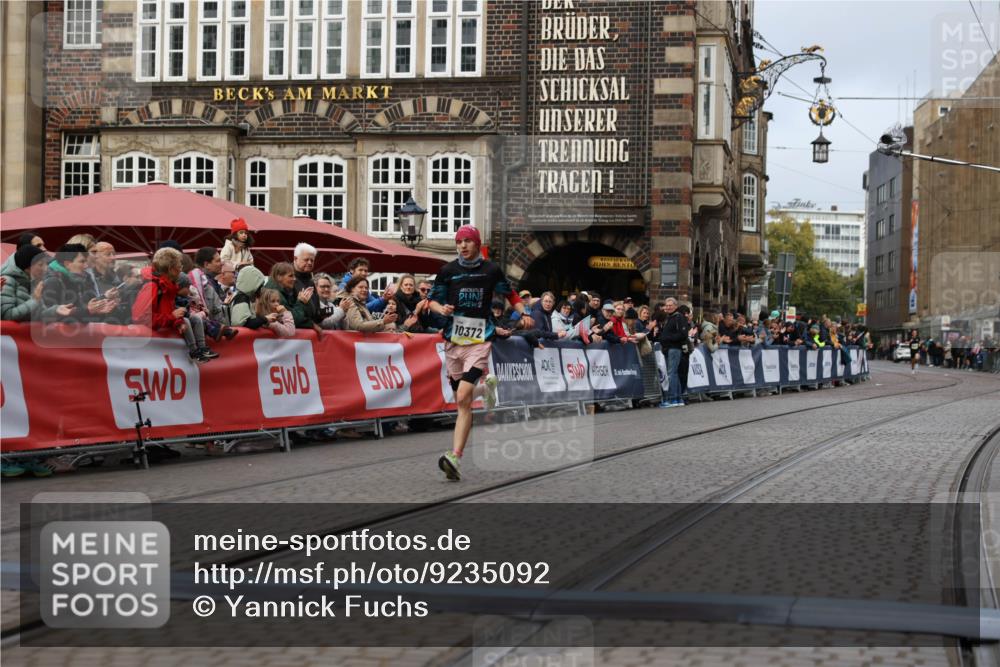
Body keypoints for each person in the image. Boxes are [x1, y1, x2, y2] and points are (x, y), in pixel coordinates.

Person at [429, 225, 532, 481]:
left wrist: (524, 312)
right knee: (461, 399)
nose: (462, 246)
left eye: (467, 241)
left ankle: (454, 456)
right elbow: (432, 299)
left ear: (477, 243)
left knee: (463, 394)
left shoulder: (490, 270)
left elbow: (511, 294)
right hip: (453, 341)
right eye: (459, 242)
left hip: (479, 340)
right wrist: (440, 309)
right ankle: (486, 390)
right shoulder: (448, 270)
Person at [131, 247, 218, 362]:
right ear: (171, 269)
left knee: (194, 319)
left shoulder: (167, 286)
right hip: (151, 344)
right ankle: (194, 352)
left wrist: (178, 322)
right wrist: (173, 318)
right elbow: (141, 318)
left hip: (160, 335)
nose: (181, 270)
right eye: (179, 266)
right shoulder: (152, 286)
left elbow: (169, 311)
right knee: (188, 319)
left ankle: (201, 349)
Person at [42, 244, 117, 323]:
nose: (86, 266)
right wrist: (89, 311)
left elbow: (81, 310)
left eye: (85, 261)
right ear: (67, 264)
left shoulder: (77, 280)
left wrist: (99, 307)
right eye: (82, 261)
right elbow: (48, 318)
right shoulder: (52, 281)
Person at [1, 245, 60, 322]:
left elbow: (39, 315)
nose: (45, 269)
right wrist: (34, 301)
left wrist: (56, 310)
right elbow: (7, 316)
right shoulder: (7, 281)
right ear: (28, 267)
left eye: (46, 264)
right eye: (40, 265)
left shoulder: (34, 282)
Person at [657, 297, 697, 407]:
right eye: (667, 305)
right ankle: (678, 398)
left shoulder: (679, 317)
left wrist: (667, 338)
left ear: (675, 306)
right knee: (674, 373)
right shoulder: (668, 317)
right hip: (668, 349)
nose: (668, 307)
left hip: (674, 348)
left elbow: (683, 334)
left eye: (670, 305)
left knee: (672, 373)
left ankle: (673, 399)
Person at [265, 262, 317, 331]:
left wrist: (305, 302)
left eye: (294, 276)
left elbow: (308, 314)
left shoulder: (284, 291)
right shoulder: (275, 294)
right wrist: (301, 302)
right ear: (279, 277)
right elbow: (293, 319)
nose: (294, 279)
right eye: (290, 276)